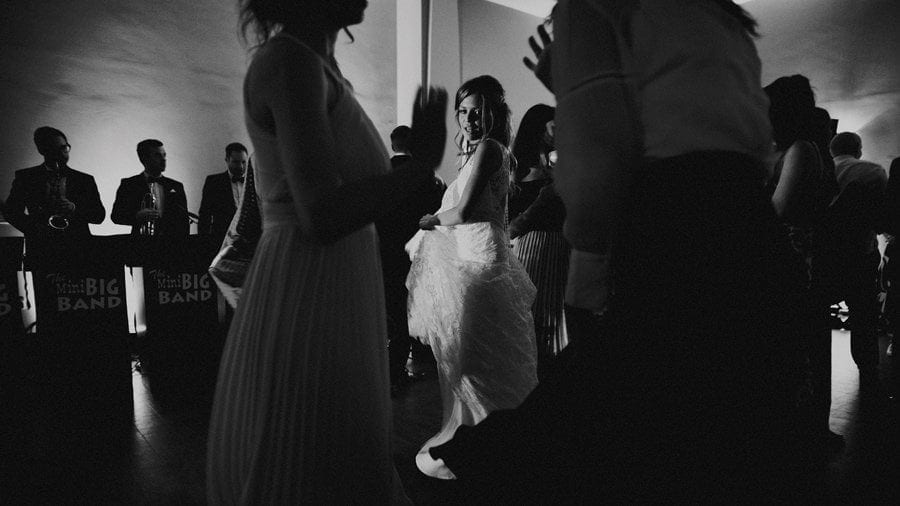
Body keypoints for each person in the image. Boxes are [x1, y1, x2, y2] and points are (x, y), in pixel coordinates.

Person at [429, 1, 805, 503]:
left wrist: (594, 257)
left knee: (615, 438)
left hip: (675, 240)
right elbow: (730, 137)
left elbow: (595, 179)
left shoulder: (590, 7)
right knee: (730, 442)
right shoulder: (718, 12)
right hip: (755, 243)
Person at [205, 0, 448, 503]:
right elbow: (321, 215)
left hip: (336, 275)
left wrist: (413, 169)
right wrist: (418, 166)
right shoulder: (289, 61)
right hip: (308, 279)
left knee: (339, 443)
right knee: (310, 451)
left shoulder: (315, 65)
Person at [405, 75, 538, 480]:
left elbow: (463, 212)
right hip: (473, 258)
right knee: (474, 355)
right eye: (462, 111)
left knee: (476, 357)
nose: (468, 119)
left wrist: (429, 220)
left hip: (482, 262)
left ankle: (488, 444)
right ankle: (478, 437)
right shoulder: (483, 152)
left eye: (477, 111)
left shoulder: (489, 149)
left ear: (493, 113)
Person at [764, 75, 845, 454]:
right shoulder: (794, 148)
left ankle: (806, 432)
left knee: (804, 349)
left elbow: (777, 211)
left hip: (798, 265)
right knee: (799, 348)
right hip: (791, 263)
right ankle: (802, 429)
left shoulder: (800, 150)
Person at [376, 125, 446, 395]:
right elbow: (435, 213)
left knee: (389, 313)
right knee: (404, 316)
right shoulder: (424, 175)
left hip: (383, 250)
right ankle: (395, 375)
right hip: (412, 252)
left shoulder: (380, 172)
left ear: (393, 145)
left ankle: (385, 373)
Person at [820, 131, 888, 400]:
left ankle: (819, 381)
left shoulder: (822, 172)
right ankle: (868, 372)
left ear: (831, 150)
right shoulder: (873, 172)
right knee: (864, 316)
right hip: (859, 254)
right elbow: (882, 219)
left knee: (817, 318)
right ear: (858, 149)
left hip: (824, 256)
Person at [508, 104, 569, 374]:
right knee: (532, 324)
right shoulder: (517, 168)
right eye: (553, 126)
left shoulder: (558, 162)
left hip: (557, 247)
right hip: (529, 249)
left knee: (553, 325)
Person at [5, 126, 105, 238]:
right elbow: (11, 213)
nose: (62, 154)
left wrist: (73, 208)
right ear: (41, 150)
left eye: (64, 148)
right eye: (54, 149)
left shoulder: (84, 180)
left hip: (78, 246)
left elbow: (99, 216)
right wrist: (34, 229)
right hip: (41, 245)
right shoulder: (26, 177)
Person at [111, 139, 189, 236]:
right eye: (157, 155)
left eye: (164, 155)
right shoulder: (129, 184)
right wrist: (136, 216)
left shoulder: (176, 186)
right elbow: (116, 216)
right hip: (141, 243)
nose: (163, 159)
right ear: (144, 159)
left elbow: (184, 221)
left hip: (171, 244)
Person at [198, 142, 249, 240]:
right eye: (236, 162)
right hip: (221, 238)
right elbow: (205, 215)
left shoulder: (254, 181)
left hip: (249, 239)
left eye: (244, 162)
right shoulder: (213, 182)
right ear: (227, 160)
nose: (241, 166)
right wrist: (203, 241)